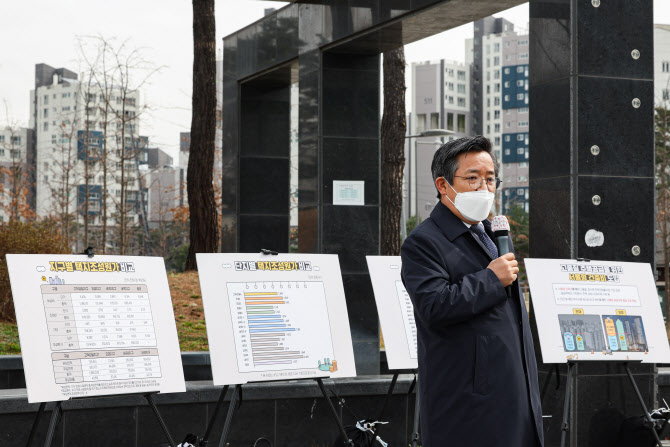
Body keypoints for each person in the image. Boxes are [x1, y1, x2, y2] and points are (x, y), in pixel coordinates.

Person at [401, 136, 543, 446]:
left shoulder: (491, 233)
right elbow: (433, 306)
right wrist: (491, 279)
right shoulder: (424, 242)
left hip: (513, 391)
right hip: (468, 402)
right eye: (473, 178)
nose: (484, 188)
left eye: (490, 179)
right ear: (443, 185)